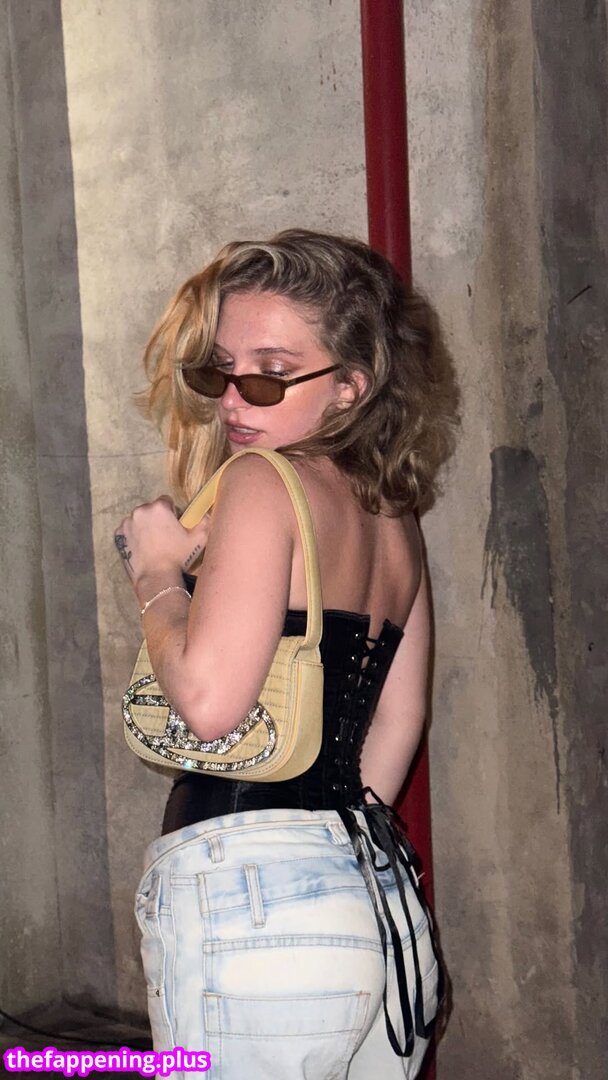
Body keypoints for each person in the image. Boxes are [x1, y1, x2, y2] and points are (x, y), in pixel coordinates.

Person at [115, 228, 458, 1079]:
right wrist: (321, 847)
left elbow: (208, 703)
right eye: (220, 371)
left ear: (351, 385)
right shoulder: (394, 516)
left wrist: (156, 573)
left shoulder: (262, 481)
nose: (235, 400)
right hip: (368, 899)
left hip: (251, 902)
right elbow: (400, 718)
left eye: (269, 374)